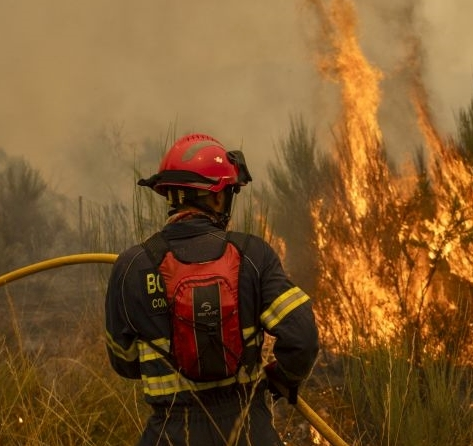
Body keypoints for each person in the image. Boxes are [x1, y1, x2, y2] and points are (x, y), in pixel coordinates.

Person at [105, 133, 320, 446]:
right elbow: (302, 338)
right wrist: (277, 381)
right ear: (217, 197)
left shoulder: (131, 266)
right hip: (249, 430)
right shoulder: (253, 255)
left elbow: (124, 362)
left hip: (171, 432)